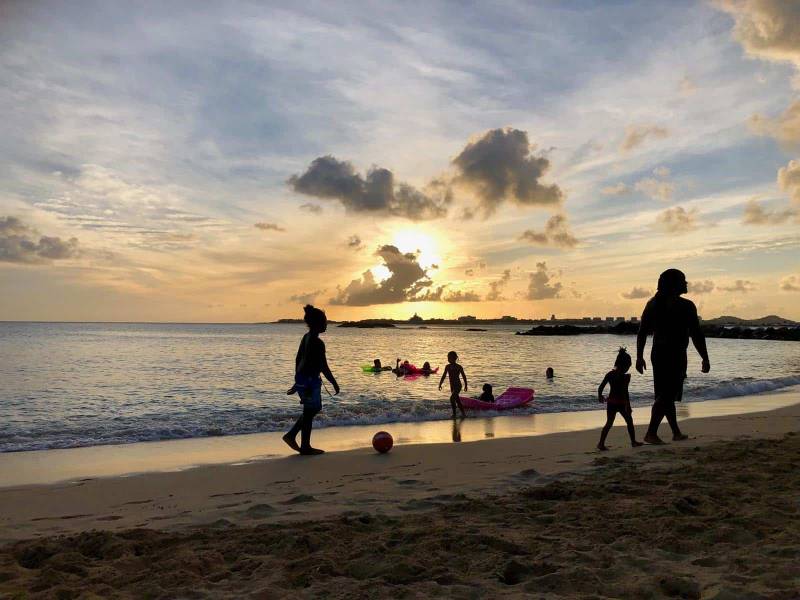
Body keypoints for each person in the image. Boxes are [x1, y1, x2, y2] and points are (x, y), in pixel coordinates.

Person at [636, 269, 710, 444]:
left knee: (665, 395)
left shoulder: (652, 303)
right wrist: (705, 357)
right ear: (674, 284)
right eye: (683, 280)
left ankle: (676, 432)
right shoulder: (686, 306)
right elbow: (696, 334)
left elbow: (642, 332)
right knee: (667, 395)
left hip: (658, 354)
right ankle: (651, 433)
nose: (686, 283)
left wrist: (640, 356)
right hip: (675, 355)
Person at [283, 305, 339, 455]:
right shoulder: (318, 343)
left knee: (313, 409)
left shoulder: (306, 337)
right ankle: (304, 446)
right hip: (309, 381)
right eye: (325, 321)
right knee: (309, 412)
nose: (326, 324)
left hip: (304, 379)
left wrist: (297, 380)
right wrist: (334, 382)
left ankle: (292, 436)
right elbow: (324, 366)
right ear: (317, 324)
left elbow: (298, 359)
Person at [597, 348, 643, 451]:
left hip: (611, 402)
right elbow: (625, 392)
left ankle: (601, 443)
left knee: (609, 423)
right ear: (625, 365)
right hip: (621, 403)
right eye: (628, 366)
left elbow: (600, 387)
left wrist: (600, 396)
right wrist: (628, 406)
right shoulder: (625, 377)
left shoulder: (610, 374)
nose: (628, 368)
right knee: (629, 421)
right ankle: (633, 442)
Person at [439, 351, 467, 418]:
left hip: (458, 385)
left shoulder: (459, 367)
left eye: (449, 358)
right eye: (448, 358)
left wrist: (466, 385)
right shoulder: (447, 366)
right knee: (457, 400)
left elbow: (464, 376)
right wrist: (440, 384)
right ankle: (463, 414)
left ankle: (454, 414)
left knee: (452, 399)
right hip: (452, 386)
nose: (448, 359)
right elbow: (444, 376)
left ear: (454, 358)